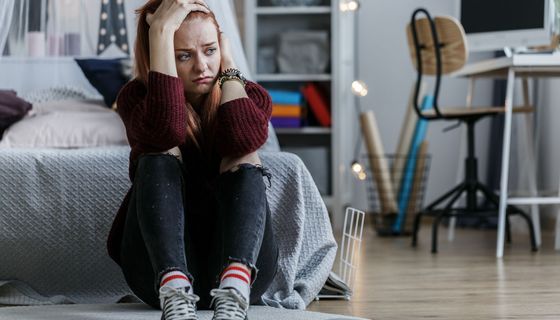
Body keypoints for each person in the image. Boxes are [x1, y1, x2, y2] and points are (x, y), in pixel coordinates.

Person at [105, 0, 278, 319]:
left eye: (209, 50)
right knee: (157, 153)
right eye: (183, 55)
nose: (202, 67)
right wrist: (159, 32)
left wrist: (229, 69)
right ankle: (174, 284)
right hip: (157, 274)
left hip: (240, 273)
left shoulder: (250, 95)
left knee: (244, 153)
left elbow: (241, 140)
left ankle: (234, 284)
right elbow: (165, 133)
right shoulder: (135, 99)